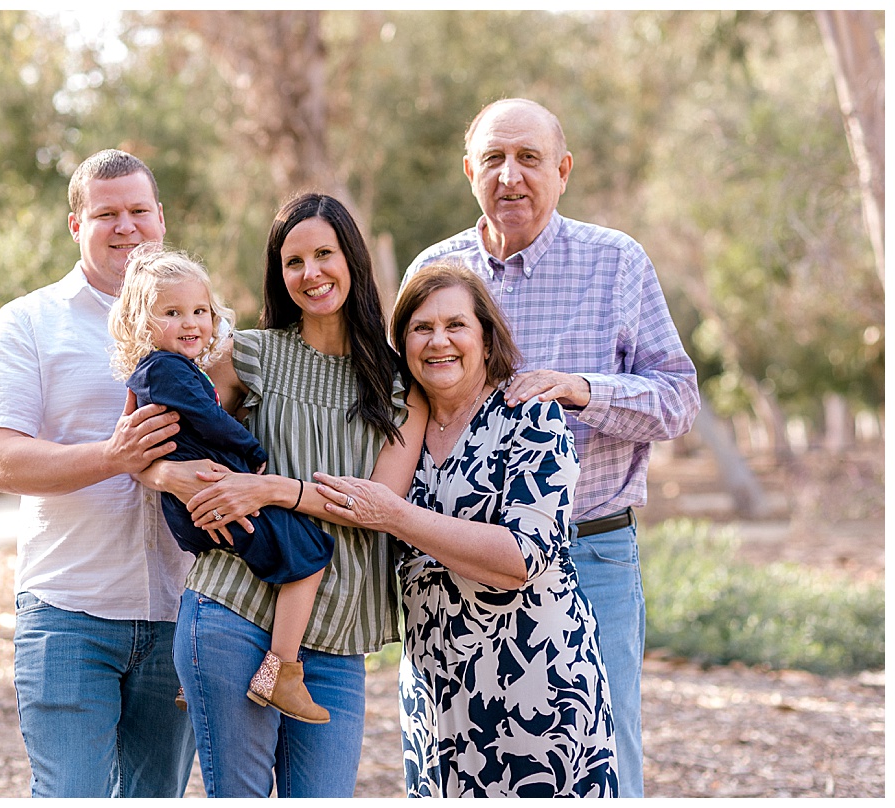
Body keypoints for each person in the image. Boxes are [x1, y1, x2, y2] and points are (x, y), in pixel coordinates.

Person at [403, 98, 700, 797]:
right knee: (457, 759)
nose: (512, 175)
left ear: (562, 170)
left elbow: (680, 399)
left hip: (588, 552)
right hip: (451, 570)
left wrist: (582, 390)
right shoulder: (436, 267)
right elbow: (404, 407)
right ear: (469, 170)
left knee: (598, 758)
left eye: (530, 158)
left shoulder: (615, 263)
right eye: (495, 159)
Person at [137, 192, 425, 797]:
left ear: (353, 258)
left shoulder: (401, 382)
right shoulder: (249, 354)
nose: (310, 273)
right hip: (233, 611)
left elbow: (379, 507)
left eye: (324, 254)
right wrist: (166, 477)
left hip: (337, 635)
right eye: (293, 262)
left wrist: (269, 488)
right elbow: (147, 434)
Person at [315, 263, 618, 797]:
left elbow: (523, 558)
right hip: (438, 698)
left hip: (538, 688)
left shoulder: (530, 416)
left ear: (484, 335)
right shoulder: (401, 424)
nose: (439, 342)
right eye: (421, 328)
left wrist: (395, 515)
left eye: (455, 325)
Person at [0, 149, 196, 797]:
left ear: (161, 218)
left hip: (183, 613)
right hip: (69, 614)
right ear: (75, 225)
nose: (126, 227)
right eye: (106, 213)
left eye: (139, 211)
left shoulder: (203, 323)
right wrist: (112, 457)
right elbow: (2, 460)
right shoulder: (30, 322)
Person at [107, 243, 333, 724]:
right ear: (142, 324)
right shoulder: (166, 369)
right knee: (311, 552)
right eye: (172, 312)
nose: (191, 323)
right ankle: (283, 672)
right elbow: (210, 420)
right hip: (211, 493)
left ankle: (204, 674)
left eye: (200, 311)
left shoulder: (158, 372)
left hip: (196, 499)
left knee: (283, 555)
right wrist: (254, 453)